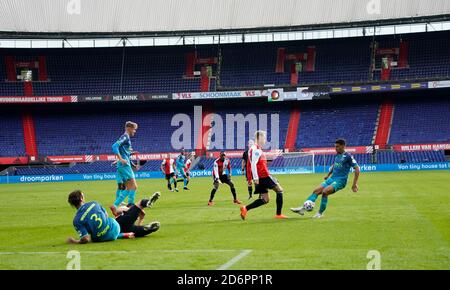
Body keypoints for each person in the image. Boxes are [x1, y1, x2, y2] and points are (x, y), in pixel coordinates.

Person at [290, 138, 360, 218]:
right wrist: (328, 175)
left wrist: (354, 184)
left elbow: (357, 169)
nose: (335, 148)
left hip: (340, 181)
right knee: (316, 191)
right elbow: (335, 165)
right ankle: (302, 209)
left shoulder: (348, 156)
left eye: (337, 146)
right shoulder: (337, 155)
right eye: (335, 147)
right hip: (332, 178)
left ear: (343, 146)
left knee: (325, 192)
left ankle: (320, 213)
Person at [67, 190, 160, 244]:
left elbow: (86, 238)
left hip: (104, 238)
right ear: (81, 199)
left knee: (131, 230)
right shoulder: (93, 203)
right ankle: (146, 203)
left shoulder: (76, 220)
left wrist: (75, 241)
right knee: (139, 204)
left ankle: (144, 228)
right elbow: (106, 215)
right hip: (116, 226)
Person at [240, 131, 288, 220]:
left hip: (260, 176)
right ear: (259, 138)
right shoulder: (256, 150)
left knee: (265, 199)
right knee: (279, 190)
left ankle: (245, 208)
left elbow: (258, 163)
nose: (265, 140)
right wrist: (255, 178)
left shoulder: (255, 149)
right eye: (264, 138)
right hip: (263, 176)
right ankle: (278, 214)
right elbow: (253, 164)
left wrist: (273, 157)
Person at [111, 121, 139, 209]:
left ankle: (115, 205)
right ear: (129, 128)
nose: (134, 131)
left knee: (128, 187)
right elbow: (114, 146)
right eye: (134, 129)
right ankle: (130, 204)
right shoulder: (125, 136)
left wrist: (132, 162)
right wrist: (121, 159)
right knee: (133, 186)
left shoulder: (125, 137)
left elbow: (124, 152)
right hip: (124, 165)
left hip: (123, 164)